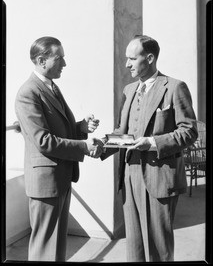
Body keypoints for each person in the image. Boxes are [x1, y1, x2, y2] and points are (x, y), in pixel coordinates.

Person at [99, 35, 198, 262]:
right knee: (134, 245)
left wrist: (152, 143)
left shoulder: (174, 87)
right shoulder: (129, 89)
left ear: (150, 58)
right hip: (130, 176)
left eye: (132, 58)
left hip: (160, 176)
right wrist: (102, 144)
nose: (127, 64)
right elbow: (122, 131)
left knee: (158, 246)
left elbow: (189, 131)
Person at [15, 36, 103, 262]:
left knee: (57, 246)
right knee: (44, 249)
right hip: (46, 183)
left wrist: (81, 127)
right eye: (60, 58)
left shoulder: (50, 87)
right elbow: (43, 140)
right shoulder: (28, 93)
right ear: (42, 60)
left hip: (59, 178)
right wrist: (84, 146)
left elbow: (58, 131)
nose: (64, 63)